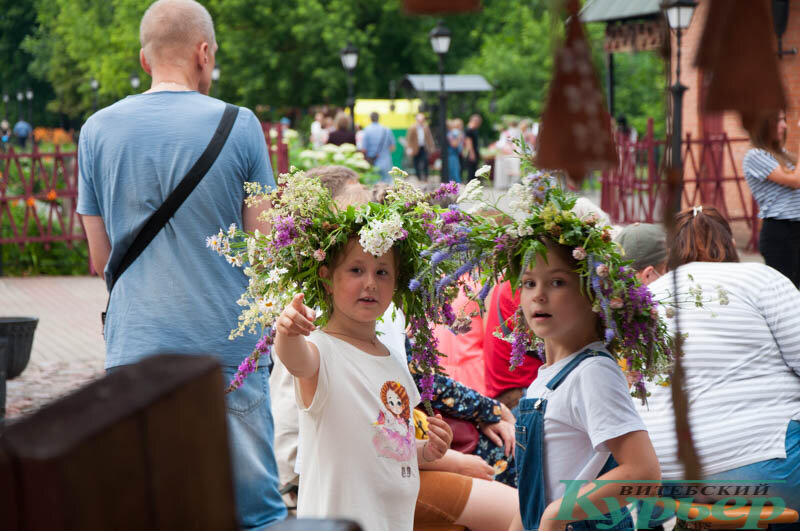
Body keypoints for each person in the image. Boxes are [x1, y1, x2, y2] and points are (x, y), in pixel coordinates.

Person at [76, 1, 286, 528]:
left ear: (144, 60)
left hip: (135, 348)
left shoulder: (96, 130)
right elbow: (264, 247)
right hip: (229, 351)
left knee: (144, 506)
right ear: (204, 52)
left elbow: (100, 258)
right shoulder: (239, 126)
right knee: (255, 511)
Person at [443, 172, 665, 531]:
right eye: (529, 283)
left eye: (557, 282)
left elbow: (643, 472)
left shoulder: (593, 372)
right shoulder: (544, 379)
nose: (538, 295)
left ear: (594, 292)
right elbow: (531, 494)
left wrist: (557, 514)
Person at [636, 205, 800, 512]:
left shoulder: (647, 297)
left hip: (664, 473)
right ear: (729, 243)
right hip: (761, 466)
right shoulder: (760, 278)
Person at [742, 109, 800, 286]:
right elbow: (795, 180)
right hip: (781, 232)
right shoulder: (755, 156)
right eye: (778, 120)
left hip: (796, 227)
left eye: (784, 120)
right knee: (786, 290)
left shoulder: (784, 155)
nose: (784, 125)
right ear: (764, 126)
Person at [362, 111, 395, 182]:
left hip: (372, 162)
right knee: (387, 186)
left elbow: (364, 149)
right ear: (379, 118)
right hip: (386, 161)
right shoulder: (386, 130)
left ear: (370, 118)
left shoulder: (367, 130)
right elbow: (392, 147)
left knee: (373, 185)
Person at [405, 112, 435, 181]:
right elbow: (409, 139)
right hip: (415, 148)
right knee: (416, 162)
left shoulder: (425, 127)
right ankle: (418, 177)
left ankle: (426, 177)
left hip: (423, 147)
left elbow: (429, 137)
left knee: (425, 161)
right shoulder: (412, 127)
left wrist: (431, 146)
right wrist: (409, 148)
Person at [463, 114, 482, 181]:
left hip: (474, 151)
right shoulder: (469, 130)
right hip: (472, 152)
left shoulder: (474, 129)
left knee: (474, 169)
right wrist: (471, 153)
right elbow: (468, 142)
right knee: (471, 170)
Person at [446, 118, 464, 183]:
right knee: (454, 170)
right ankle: (456, 183)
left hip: (454, 154)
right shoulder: (453, 133)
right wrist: (459, 138)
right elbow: (454, 144)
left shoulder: (452, 133)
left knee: (454, 169)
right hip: (452, 154)